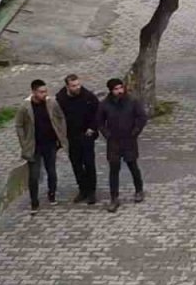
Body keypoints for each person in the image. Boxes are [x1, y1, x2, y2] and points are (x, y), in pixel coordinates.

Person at [15, 79, 67, 212]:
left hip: (50, 144)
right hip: (34, 146)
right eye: (41, 92)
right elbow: (19, 125)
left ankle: (52, 193)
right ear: (33, 92)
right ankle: (34, 201)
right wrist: (24, 141)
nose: (44, 94)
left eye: (45, 91)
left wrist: (60, 134)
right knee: (34, 175)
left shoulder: (51, 103)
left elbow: (60, 117)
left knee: (52, 171)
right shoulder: (25, 107)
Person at [97, 78, 147, 213]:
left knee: (132, 165)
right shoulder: (105, 105)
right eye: (116, 89)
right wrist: (107, 134)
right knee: (114, 169)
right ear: (111, 91)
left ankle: (139, 190)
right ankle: (114, 198)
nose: (119, 91)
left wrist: (135, 131)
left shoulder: (132, 102)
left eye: (121, 88)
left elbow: (141, 117)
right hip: (113, 141)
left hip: (129, 139)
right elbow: (100, 122)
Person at [56, 74, 100, 204]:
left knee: (89, 163)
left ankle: (91, 192)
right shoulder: (61, 98)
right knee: (76, 164)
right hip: (71, 136)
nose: (77, 87)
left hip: (86, 134)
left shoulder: (88, 97)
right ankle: (82, 189)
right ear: (67, 86)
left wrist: (92, 128)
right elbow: (57, 117)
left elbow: (97, 112)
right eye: (74, 86)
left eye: (78, 84)